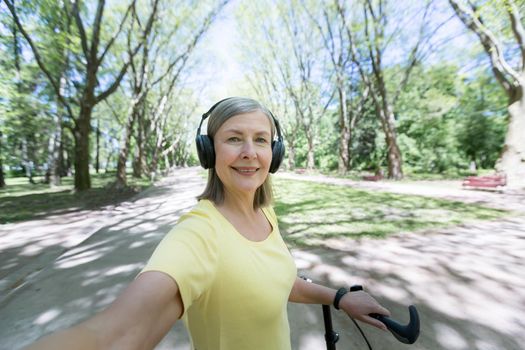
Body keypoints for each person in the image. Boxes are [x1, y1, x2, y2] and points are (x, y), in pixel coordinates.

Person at [25, 97, 390, 350]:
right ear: (209, 151)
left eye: (261, 140)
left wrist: (340, 298)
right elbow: (115, 335)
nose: (250, 151)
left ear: (273, 154)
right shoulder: (198, 234)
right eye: (234, 139)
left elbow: (273, 280)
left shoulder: (265, 213)